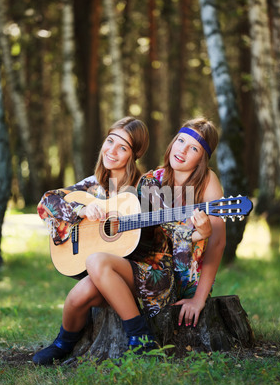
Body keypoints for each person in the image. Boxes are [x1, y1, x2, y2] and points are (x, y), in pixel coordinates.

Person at [33, 116, 211, 365]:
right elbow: (46, 202)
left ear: (133, 154)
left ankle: (141, 338)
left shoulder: (146, 186)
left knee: (96, 261)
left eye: (123, 147)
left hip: (150, 271)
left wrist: (198, 235)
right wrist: (79, 211)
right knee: (76, 297)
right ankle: (62, 344)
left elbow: (174, 231)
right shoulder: (94, 187)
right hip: (112, 274)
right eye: (110, 141)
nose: (112, 151)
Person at [153, 117, 226, 328]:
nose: (182, 150)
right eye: (181, 141)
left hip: (187, 280)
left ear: (202, 157)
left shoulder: (207, 181)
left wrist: (199, 298)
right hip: (151, 272)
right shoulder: (154, 179)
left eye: (193, 148)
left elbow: (218, 242)